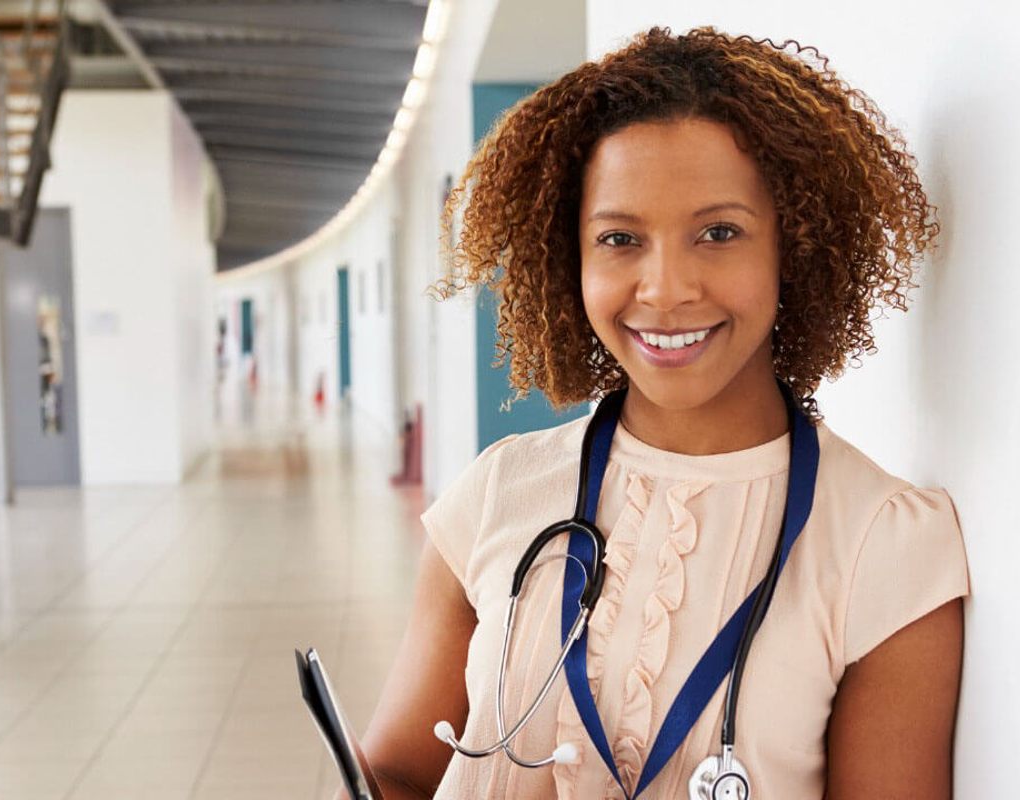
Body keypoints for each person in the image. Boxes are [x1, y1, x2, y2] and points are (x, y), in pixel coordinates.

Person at [352, 27, 970, 800]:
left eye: (719, 232)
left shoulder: (883, 544)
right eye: (620, 238)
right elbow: (398, 773)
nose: (666, 288)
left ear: (796, 246)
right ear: (567, 256)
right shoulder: (496, 495)